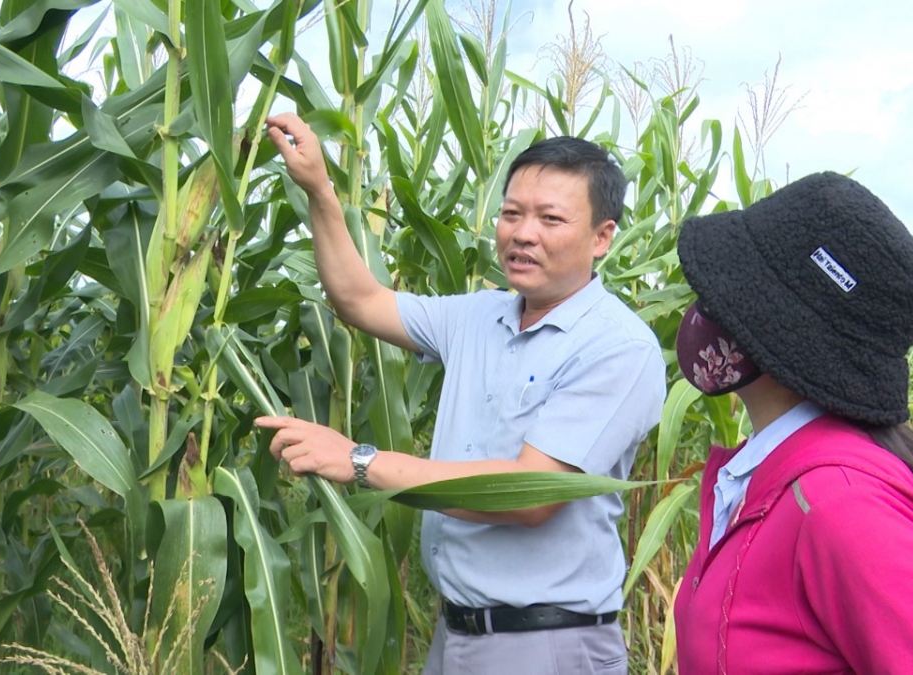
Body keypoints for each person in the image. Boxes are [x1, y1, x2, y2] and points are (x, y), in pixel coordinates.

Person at [255, 113, 665, 675]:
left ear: (602, 237)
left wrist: (356, 459)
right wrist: (321, 191)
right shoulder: (478, 315)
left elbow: (527, 494)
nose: (523, 233)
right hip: (458, 635)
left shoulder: (618, 348)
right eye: (512, 213)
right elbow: (359, 299)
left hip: (546, 648)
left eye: (550, 219)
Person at [671, 172, 913, 674]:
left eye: (721, 295)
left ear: (770, 331)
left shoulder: (840, 506)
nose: (702, 309)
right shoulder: (764, 475)